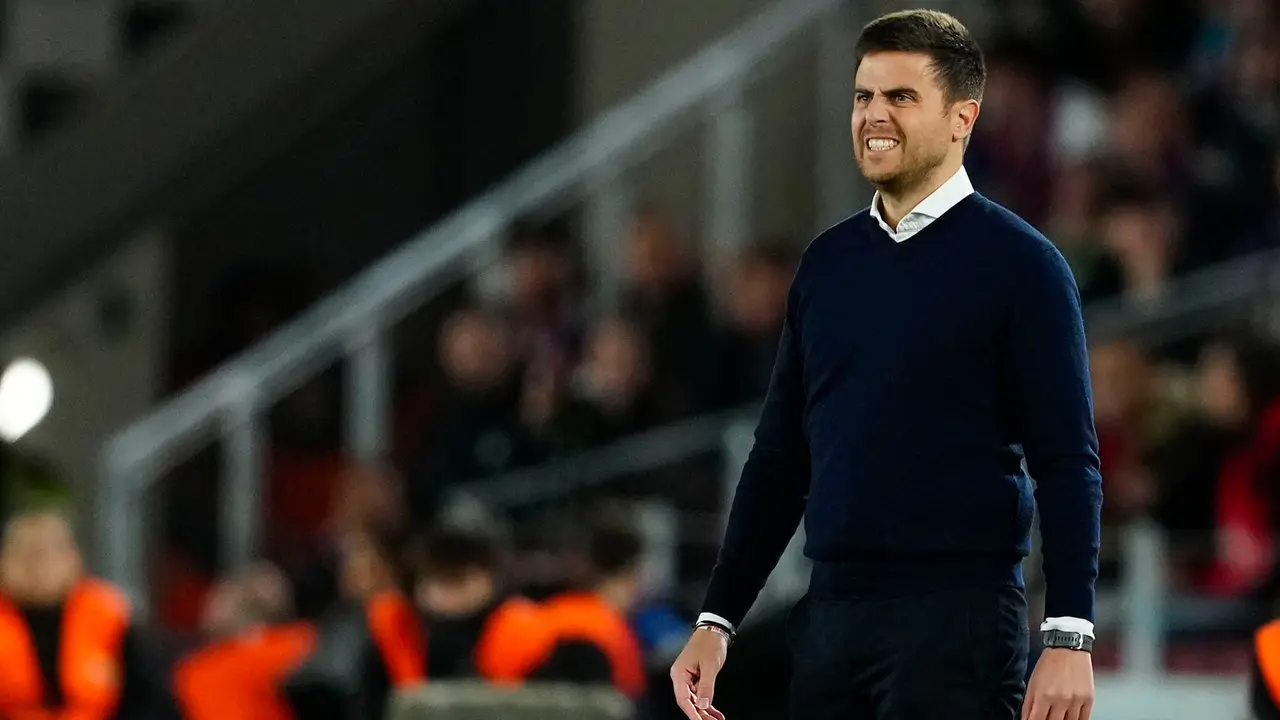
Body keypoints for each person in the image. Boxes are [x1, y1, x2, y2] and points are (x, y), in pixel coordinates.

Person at [669, 10, 1103, 720]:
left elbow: (1067, 461)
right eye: (863, 95)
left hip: (957, 622)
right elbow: (780, 459)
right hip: (830, 617)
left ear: (963, 118)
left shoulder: (1025, 267)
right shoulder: (826, 266)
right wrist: (718, 618)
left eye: (901, 96)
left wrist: (1069, 633)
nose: (873, 114)